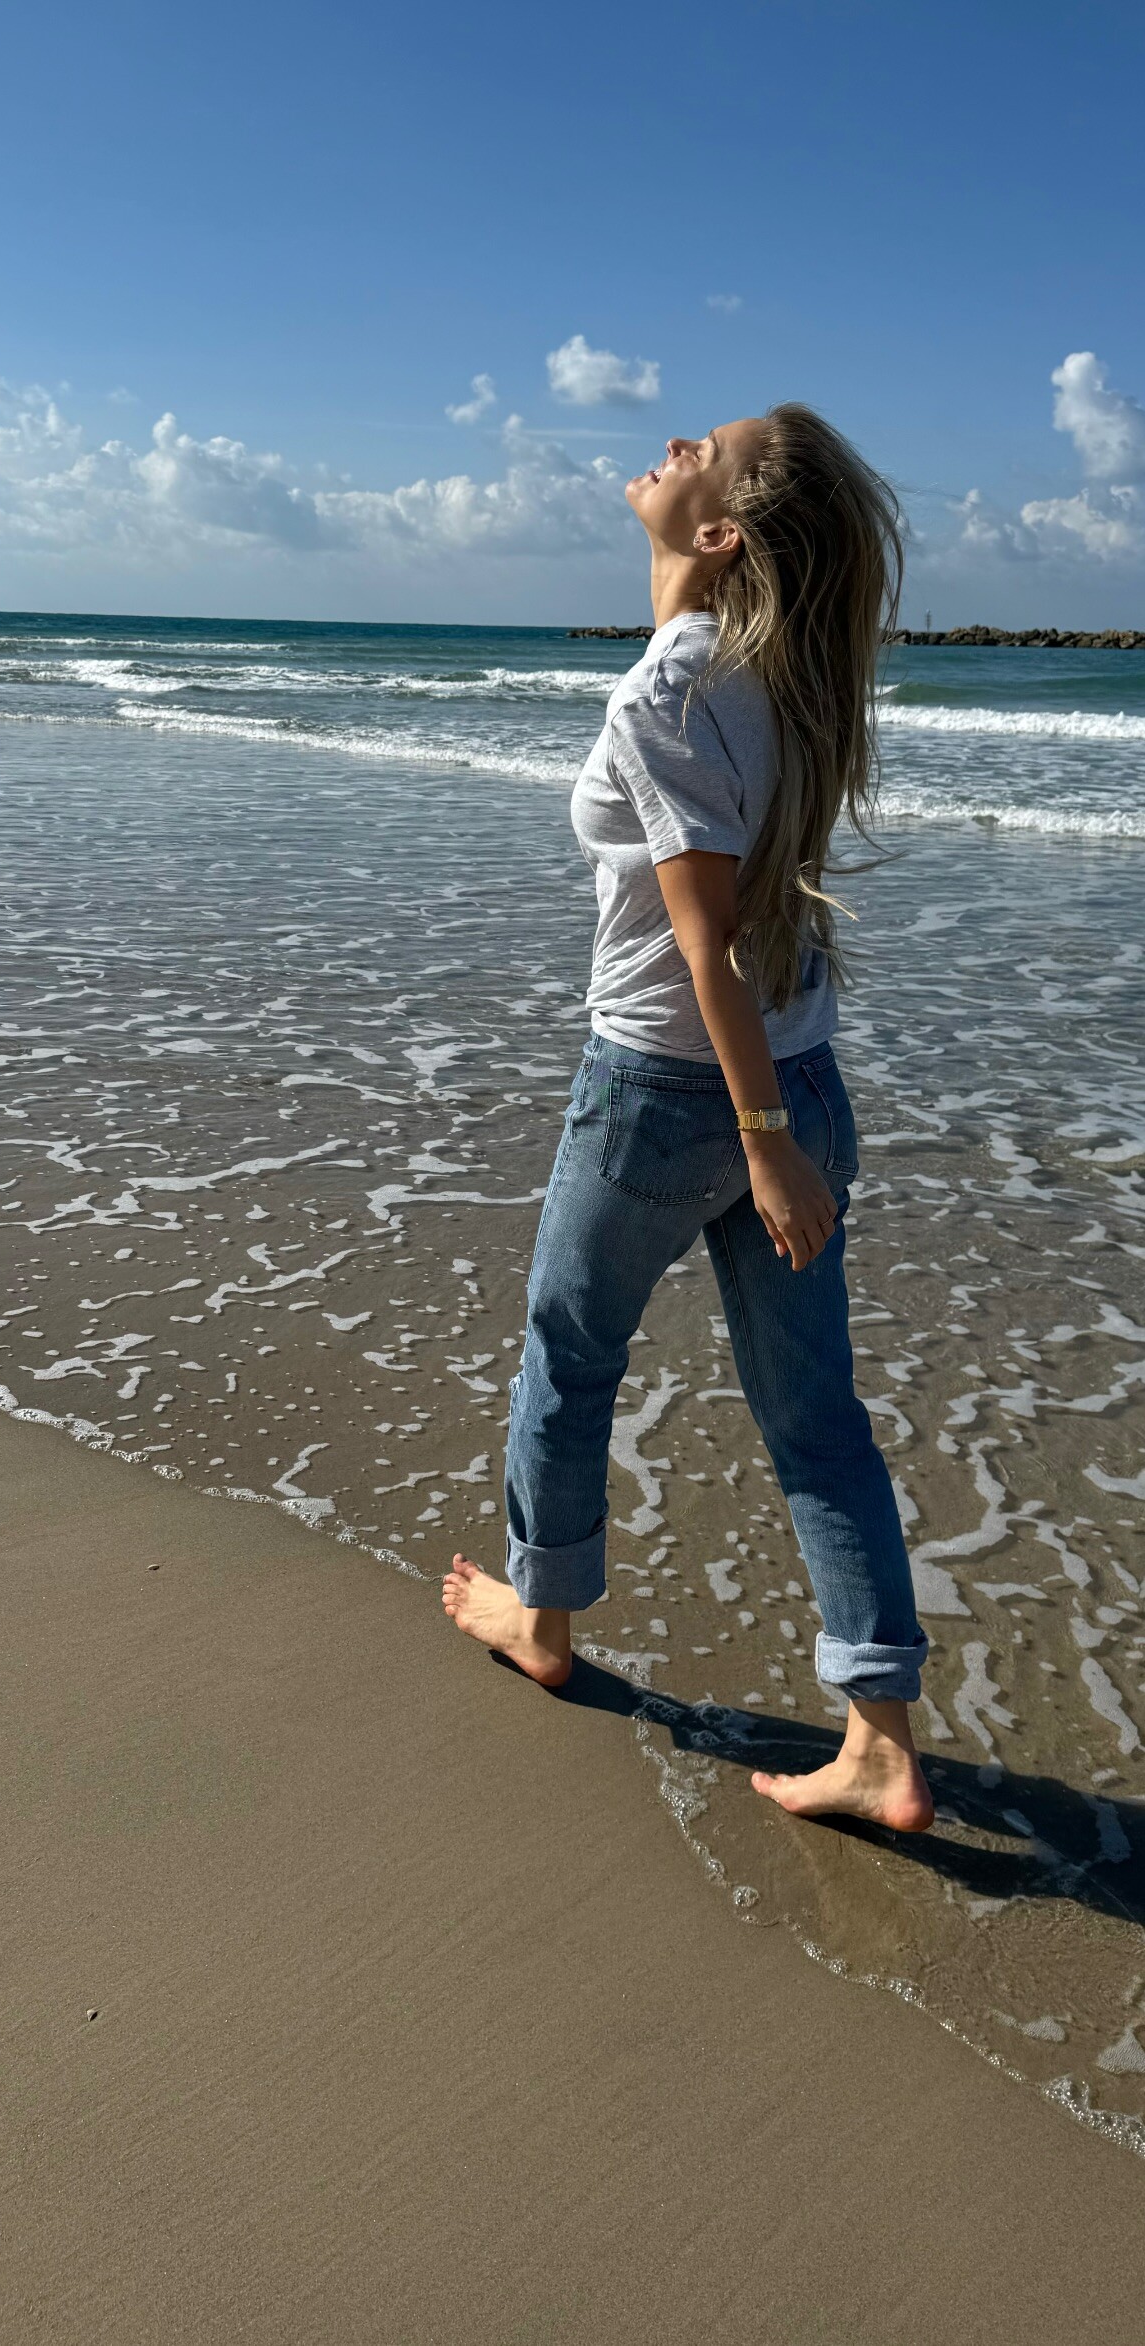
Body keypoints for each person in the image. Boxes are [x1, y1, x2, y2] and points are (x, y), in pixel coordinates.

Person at [442, 405, 934, 1833]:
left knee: (568, 1347)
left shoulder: (669, 689)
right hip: (801, 1078)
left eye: (700, 448)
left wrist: (762, 1142)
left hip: (672, 1095)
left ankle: (543, 1621)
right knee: (816, 1417)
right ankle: (882, 1739)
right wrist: (780, 1129)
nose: (670, 443)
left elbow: (704, 945)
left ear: (717, 532)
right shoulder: (783, 678)